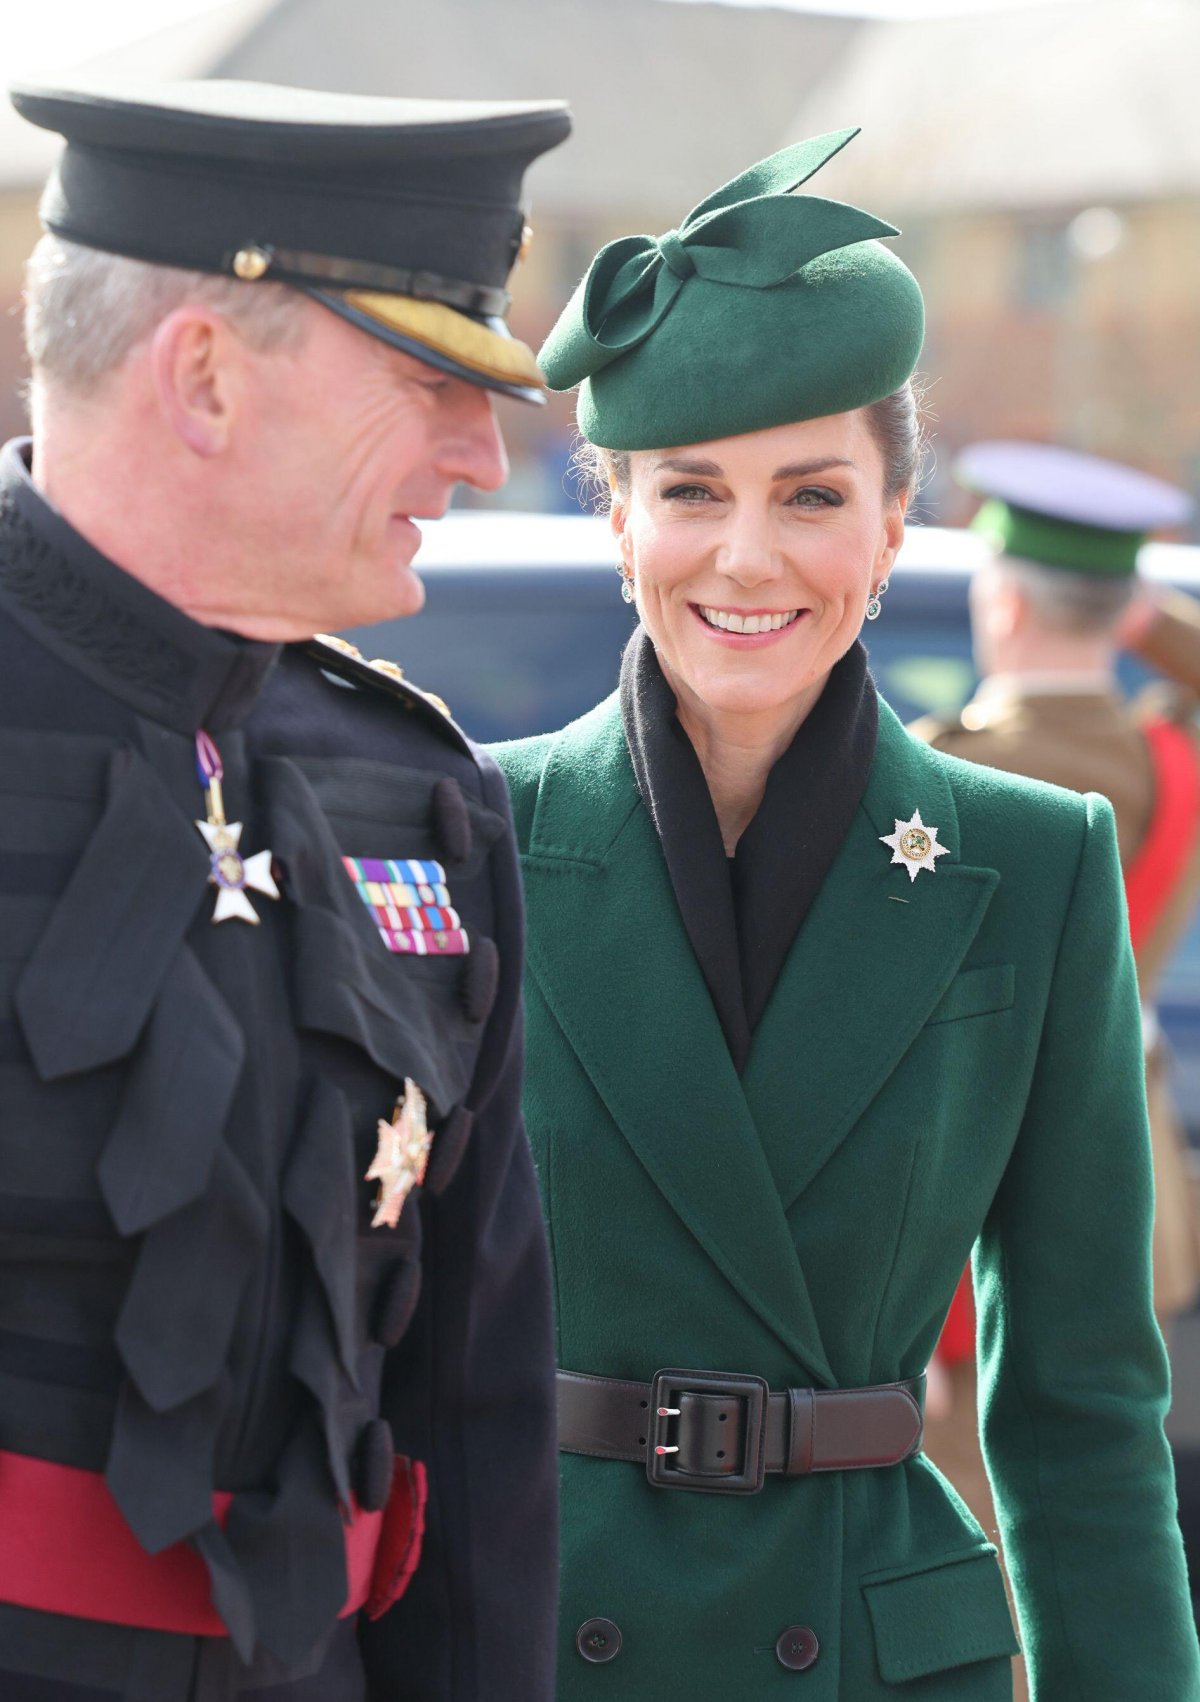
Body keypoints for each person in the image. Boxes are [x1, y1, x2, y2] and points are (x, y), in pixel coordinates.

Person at [489, 131, 1200, 1699]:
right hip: (528, 1626)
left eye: (813, 494)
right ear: (617, 516)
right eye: (692, 491)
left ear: (893, 529)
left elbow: (1081, 1403)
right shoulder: (473, 826)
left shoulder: (1035, 860)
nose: (748, 556)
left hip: (872, 1647)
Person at [0, 75, 570, 1702]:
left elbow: (473, 1400)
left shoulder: (419, 789)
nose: (483, 454)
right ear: (203, 377)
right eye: (426, 383)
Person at [911, 441, 1200, 1608]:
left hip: (977, 1202)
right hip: (1135, 1190)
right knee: (1093, 1526)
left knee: (975, 1554)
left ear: (1002, 596)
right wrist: (1136, 618)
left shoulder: (957, 771)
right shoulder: (1167, 756)